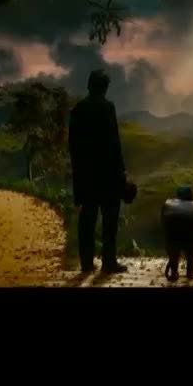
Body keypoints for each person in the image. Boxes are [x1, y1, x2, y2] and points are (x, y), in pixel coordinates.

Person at [68, 69, 128, 274]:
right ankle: (109, 262)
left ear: (89, 86)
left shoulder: (78, 110)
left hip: (86, 176)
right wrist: (122, 172)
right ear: (104, 88)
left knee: (87, 219)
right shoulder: (107, 108)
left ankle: (86, 263)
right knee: (109, 221)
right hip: (108, 175)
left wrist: (78, 175)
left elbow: (73, 147)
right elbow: (114, 144)